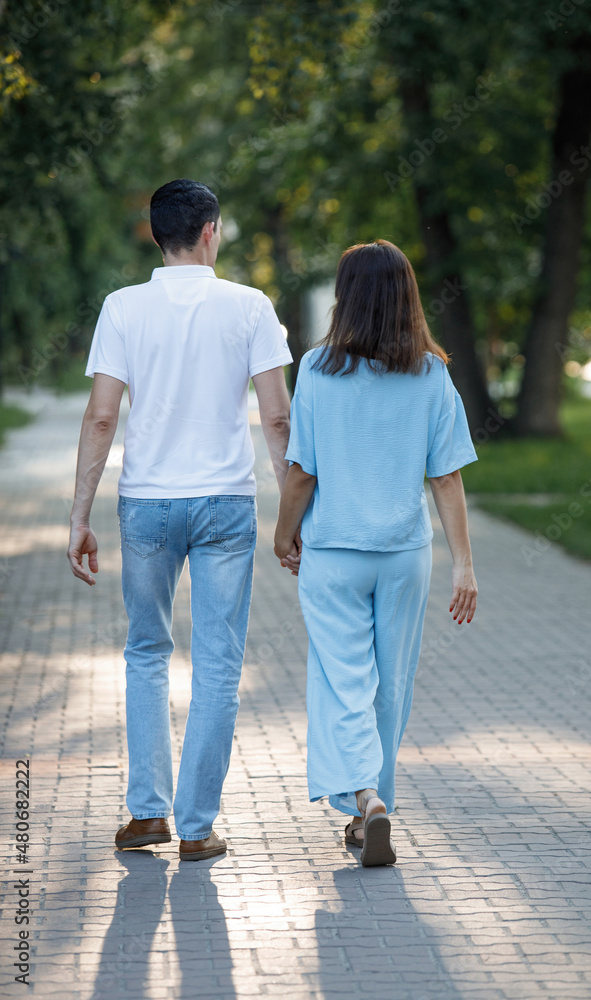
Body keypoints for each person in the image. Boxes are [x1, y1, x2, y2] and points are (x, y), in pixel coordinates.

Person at [67, 178, 294, 861]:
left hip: (147, 503)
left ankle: (146, 815)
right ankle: (196, 827)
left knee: (146, 652)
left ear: (156, 234)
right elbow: (277, 417)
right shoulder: (250, 306)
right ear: (210, 231)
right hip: (226, 500)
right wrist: (293, 511)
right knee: (220, 663)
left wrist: (79, 515)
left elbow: (102, 415)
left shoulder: (122, 308)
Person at [273, 240, 479, 868]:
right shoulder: (432, 374)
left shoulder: (315, 369)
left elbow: (302, 471)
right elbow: (445, 478)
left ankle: (366, 799)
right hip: (404, 554)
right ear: (408, 297)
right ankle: (374, 807)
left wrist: (283, 533)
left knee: (344, 682)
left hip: (334, 552)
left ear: (346, 298)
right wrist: (465, 565)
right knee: (391, 686)